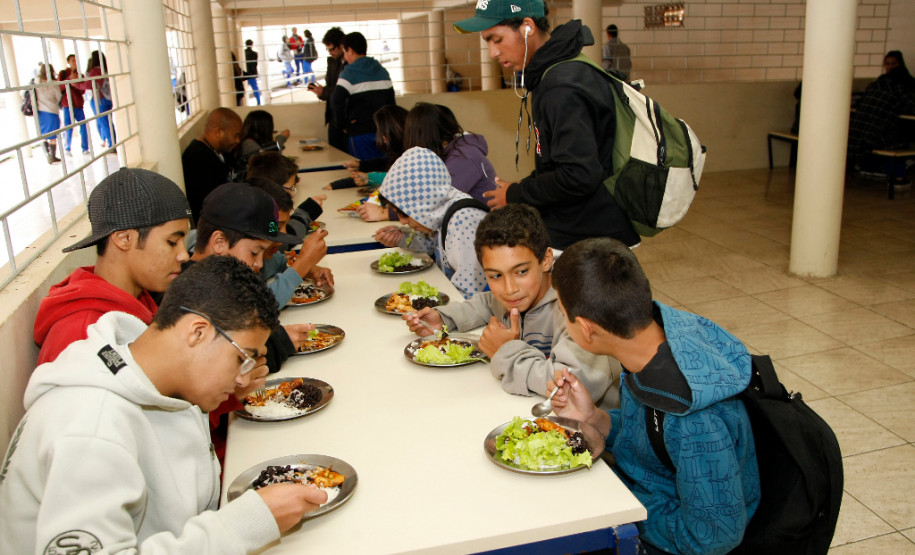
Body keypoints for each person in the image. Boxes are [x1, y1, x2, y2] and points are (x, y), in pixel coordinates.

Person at [1, 255, 328, 554]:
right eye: (243, 359)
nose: (243, 380)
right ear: (198, 332)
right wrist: (242, 525)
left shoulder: (162, 378)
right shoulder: (91, 429)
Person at [546, 237, 760, 555]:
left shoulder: (694, 420)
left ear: (587, 328)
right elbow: (651, 438)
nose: (564, 324)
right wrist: (595, 419)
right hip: (650, 501)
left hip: (674, 541)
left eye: (563, 314)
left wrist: (625, 509)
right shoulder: (651, 341)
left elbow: (715, 537)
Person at [454, 0, 639, 250]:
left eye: (496, 39)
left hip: (589, 237)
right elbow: (559, 164)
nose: (493, 53)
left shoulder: (560, 85)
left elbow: (579, 175)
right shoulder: (558, 72)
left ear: (527, 27)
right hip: (586, 226)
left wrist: (516, 194)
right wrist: (519, 189)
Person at [403, 204, 619, 407]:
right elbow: (487, 303)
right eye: (495, 275)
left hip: (593, 433)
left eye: (521, 272)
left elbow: (569, 386)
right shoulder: (517, 296)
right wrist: (444, 319)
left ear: (546, 260)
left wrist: (505, 351)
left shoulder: (575, 308)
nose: (508, 289)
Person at [33, 167, 193, 363]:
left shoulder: (138, 301)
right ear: (124, 238)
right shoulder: (82, 336)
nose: (184, 255)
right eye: (172, 242)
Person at [190, 182, 327, 371]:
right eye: (254, 253)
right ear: (219, 242)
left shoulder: (219, 279)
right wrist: (278, 344)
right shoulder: (194, 292)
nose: (260, 264)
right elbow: (221, 362)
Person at [374, 147, 487, 299]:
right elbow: (434, 245)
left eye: (405, 213)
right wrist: (402, 237)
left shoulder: (463, 221)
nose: (402, 221)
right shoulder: (440, 210)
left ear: (423, 202)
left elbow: (470, 293)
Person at [403, 102, 497, 203]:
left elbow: (435, 203)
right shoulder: (453, 153)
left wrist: (388, 212)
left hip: (490, 218)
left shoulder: (464, 156)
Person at [848, 50, 915, 184]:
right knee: (902, 139)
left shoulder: (875, 85)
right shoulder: (899, 88)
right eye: (887, 64)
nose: (889, 67)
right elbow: (910, 106)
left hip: (856, 137)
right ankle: (899, 177)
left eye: (893, 64)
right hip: (873, 139)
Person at [331, 32, 396, 160]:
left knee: (363, 172)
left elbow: (336, 100)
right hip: (383, 132)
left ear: (349, 50)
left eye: (344, 51)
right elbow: (391, 103)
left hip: (360, 133)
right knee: (383, 169)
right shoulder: (382, 71)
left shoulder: (349, 73)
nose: (345, 56)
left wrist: (342, 125)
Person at [181, 107, 243, 222]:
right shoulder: (198, 158)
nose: (237, 141)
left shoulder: (220, 152)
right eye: (235, 135)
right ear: (219, 132)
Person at [308, 27, 347, 151]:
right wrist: (321, 92)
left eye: (332, 49)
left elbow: (343, 91)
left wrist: (324, 92)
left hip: (345, 119)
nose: (330, 52)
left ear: (341, 46)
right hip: (333, 117)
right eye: (328, 49)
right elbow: (332, 87)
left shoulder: (351, 65)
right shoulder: (332, 62)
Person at [75, 50, 115, 149]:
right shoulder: (106, 69)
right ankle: (110, 141)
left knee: (103, 122)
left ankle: (111, 144)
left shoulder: (95, 71)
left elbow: (89, 85)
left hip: (99, 99)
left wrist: (77, 84)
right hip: (108, 98)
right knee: (108, 121)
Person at [58, 54, 89, 156]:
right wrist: (69, 80)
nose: (74, 63)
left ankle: (85, 148)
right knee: (68, 127)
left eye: (76, 60)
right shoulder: (63, 74)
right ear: (68, 62)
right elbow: (59, 87)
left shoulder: (80, 75)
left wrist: (77, 84)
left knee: (83, 126)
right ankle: (67, 148)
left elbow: (83, 90)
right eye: (72, 61)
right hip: (67, 105)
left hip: (78, 104)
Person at [34, 62, 62, 164]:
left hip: (40, 111)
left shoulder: (36, 82)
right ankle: (52, 155)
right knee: (53, 134)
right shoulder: (53, 83)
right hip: (52, 111)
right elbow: (58, 97)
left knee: (43, 134)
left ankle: (46, 154)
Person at [243, 39, 261, 105]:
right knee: (255, 88)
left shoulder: (243, 53)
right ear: (252, 44)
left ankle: (244, 103)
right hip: (252, 73)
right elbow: (255, 63)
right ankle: (258, 102)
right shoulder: (255, 54)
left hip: (245, 73)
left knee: (243, 89)